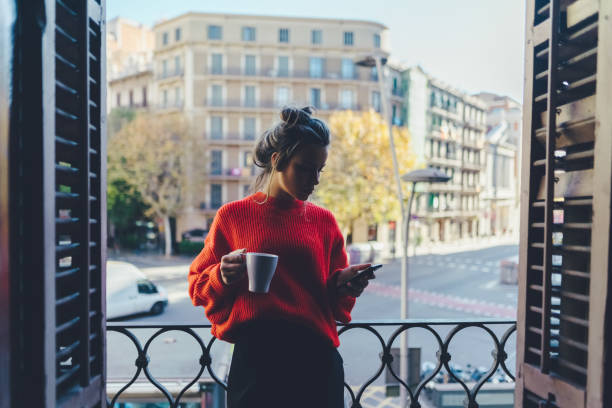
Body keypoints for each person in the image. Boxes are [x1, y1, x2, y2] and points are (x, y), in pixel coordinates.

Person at [188, 106, 375, 408]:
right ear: (277, 161)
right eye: (304, 168)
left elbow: (333, 303)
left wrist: (345, 284)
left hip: (316, 361)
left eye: (319, 170)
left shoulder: (324, 221)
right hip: (258, 362)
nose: (314, 179)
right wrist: (221, 276)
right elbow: (197, 287)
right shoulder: (233, 216)